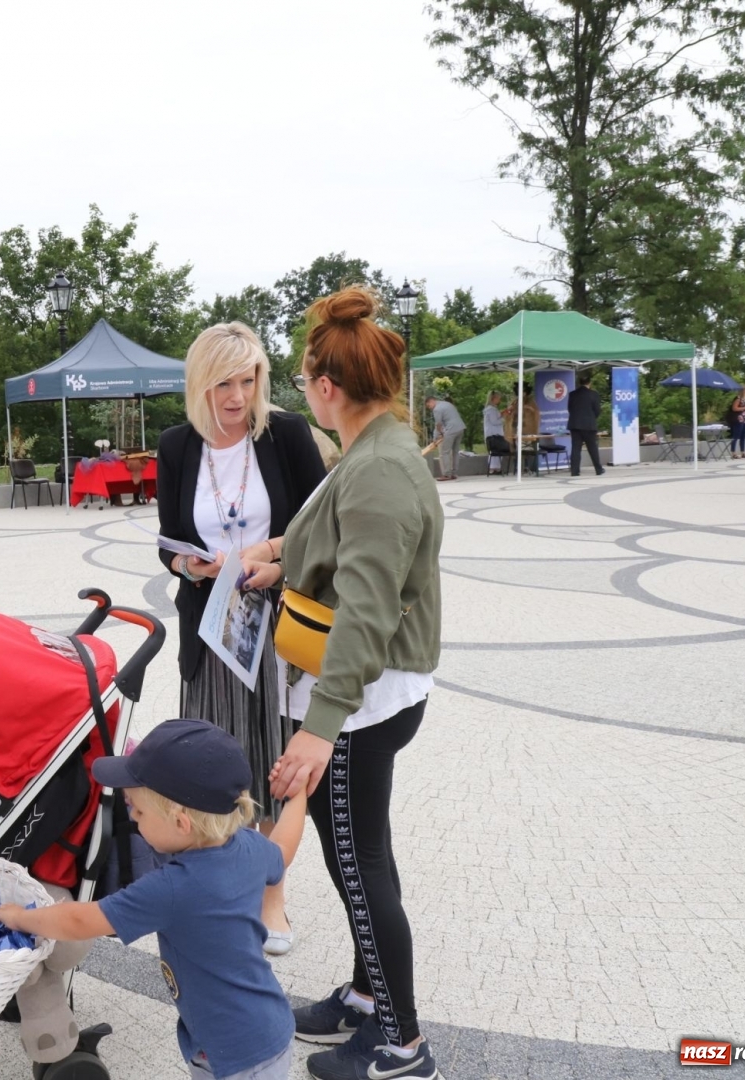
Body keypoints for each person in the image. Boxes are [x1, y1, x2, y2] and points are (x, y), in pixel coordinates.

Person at [238, 286, 443, 1080]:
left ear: (328, 388)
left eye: (302, 380)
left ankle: (402, 1046)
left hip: (362, 698)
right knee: (355, 857)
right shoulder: (372, 448)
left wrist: (318, 729)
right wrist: (281, 556)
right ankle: (366, 998)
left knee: (363, 870)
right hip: (359, 690)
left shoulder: (381, 468)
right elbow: (336, 536)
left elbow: (366, 610)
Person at [0, 720, 305, 1080]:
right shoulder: (248, 847)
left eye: (138, 811)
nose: (131, 817)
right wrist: (299, 795)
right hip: (261, 1029)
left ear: (181, 823)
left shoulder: (173, 888)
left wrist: (19, 917)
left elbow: (80, 922)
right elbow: (283, 851)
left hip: (237, 1056)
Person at [156, 321, 327, 954]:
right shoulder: (177, 445)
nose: (237, 395)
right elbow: (167, 539)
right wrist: (187, 564)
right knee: (210, 769)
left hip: (277, 627)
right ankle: (218, 894)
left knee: (277, 766)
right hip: (210, 630)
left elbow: (321, 528)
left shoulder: (284, 434)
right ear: (200, 382)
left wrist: (275, 565)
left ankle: (270, 899)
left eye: (248, 378)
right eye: (224, 382)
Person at [567, 372, 605, 476]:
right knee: (592, 448)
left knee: (575, 448)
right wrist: (591, 418)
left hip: (575, 425)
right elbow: (597, 410)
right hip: (589, 425)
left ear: (579, 383)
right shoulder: (594, 394)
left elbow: (570, 409)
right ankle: (598, 469)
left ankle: (574, 471)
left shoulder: (572, 394)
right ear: (589, 383)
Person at [423, 395, 464, 481]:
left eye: (428, 405)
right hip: (460, 428)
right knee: (455, 452)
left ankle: (446, 474)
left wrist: (435, 438)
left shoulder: (437, 409)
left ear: (431, 401)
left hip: (451, 430)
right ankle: (454, 473)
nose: (429, 408)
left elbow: (438, 424)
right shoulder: (447, 404)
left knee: (444, 452)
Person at [481, 391, 510, 472]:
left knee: (496, 451)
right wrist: (504, 417)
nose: (499, 400)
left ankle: (496, 468)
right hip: (494, 434)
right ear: (493, 399)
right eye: (498, 398)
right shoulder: (491, 409)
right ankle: (494, 468)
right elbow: (495, 421)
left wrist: (502, 414)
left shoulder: (492, 409)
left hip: (494, 433)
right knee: (496, 451)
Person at [728, 386, 745, 459]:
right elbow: (734, 408)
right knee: (736, 435)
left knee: (743, 436)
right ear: (744, 390)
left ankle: (743, 451)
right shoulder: (738, 398)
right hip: (738, 419)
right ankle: (733, 452)